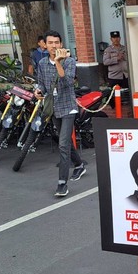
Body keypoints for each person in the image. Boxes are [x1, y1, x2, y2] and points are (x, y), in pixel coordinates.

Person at [34, 30, 86, 197]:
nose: (54, 46)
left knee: (63, 144)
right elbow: (41, 83)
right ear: (45, 45)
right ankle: (79, 165)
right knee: (64, 142)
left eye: (57, 43)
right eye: (50, 43)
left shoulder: (69, 61)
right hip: (53, 108)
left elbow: (67, 81)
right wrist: (38, 91)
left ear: (61, 44)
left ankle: (62, 183)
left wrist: (58, 62)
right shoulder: (42, 63)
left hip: (68, 106)